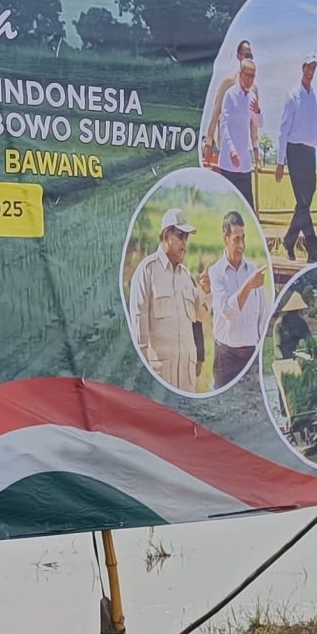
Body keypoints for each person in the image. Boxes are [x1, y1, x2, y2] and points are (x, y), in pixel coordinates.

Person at [127, 207, 210, 392]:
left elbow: (200, 315)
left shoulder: (185, 276)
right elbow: (139, 338)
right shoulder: (146, 272)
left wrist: (205, 291)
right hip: (159, 381)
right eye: (180, 236)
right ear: (166, 236)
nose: (184, 243)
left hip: (186, 383)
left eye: (187, 237)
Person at [203, 210, 271, 389]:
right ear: (225, 239)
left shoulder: (252, 270)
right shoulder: (216, 273)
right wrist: (248, 286)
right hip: (226, 358)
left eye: (243, 238)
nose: (241, 245)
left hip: (251, 356)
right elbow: (227, 311)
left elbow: (264, 315)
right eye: (236, 239)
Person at [273, 52, 317, 263]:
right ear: (303, 68)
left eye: (314, 68)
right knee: (303, 200)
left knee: (307, 198)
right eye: (308, 67)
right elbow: (282, 130)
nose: (311, 71)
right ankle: (313, 249)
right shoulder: (292, 96)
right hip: (294, 151)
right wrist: (280, 161)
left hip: (309, 152)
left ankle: (289, 239)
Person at [209, 41, 262, 208]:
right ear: (238, 56)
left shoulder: (254, 89)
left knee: (246, 203)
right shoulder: (227, 84)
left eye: (251, 56)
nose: (248, 57)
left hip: (243, 154)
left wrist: (255, 147)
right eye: (246, 55)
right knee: (226, 201)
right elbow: (216, 114)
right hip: (225, 149)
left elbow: (254, 123)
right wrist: (209, 141)